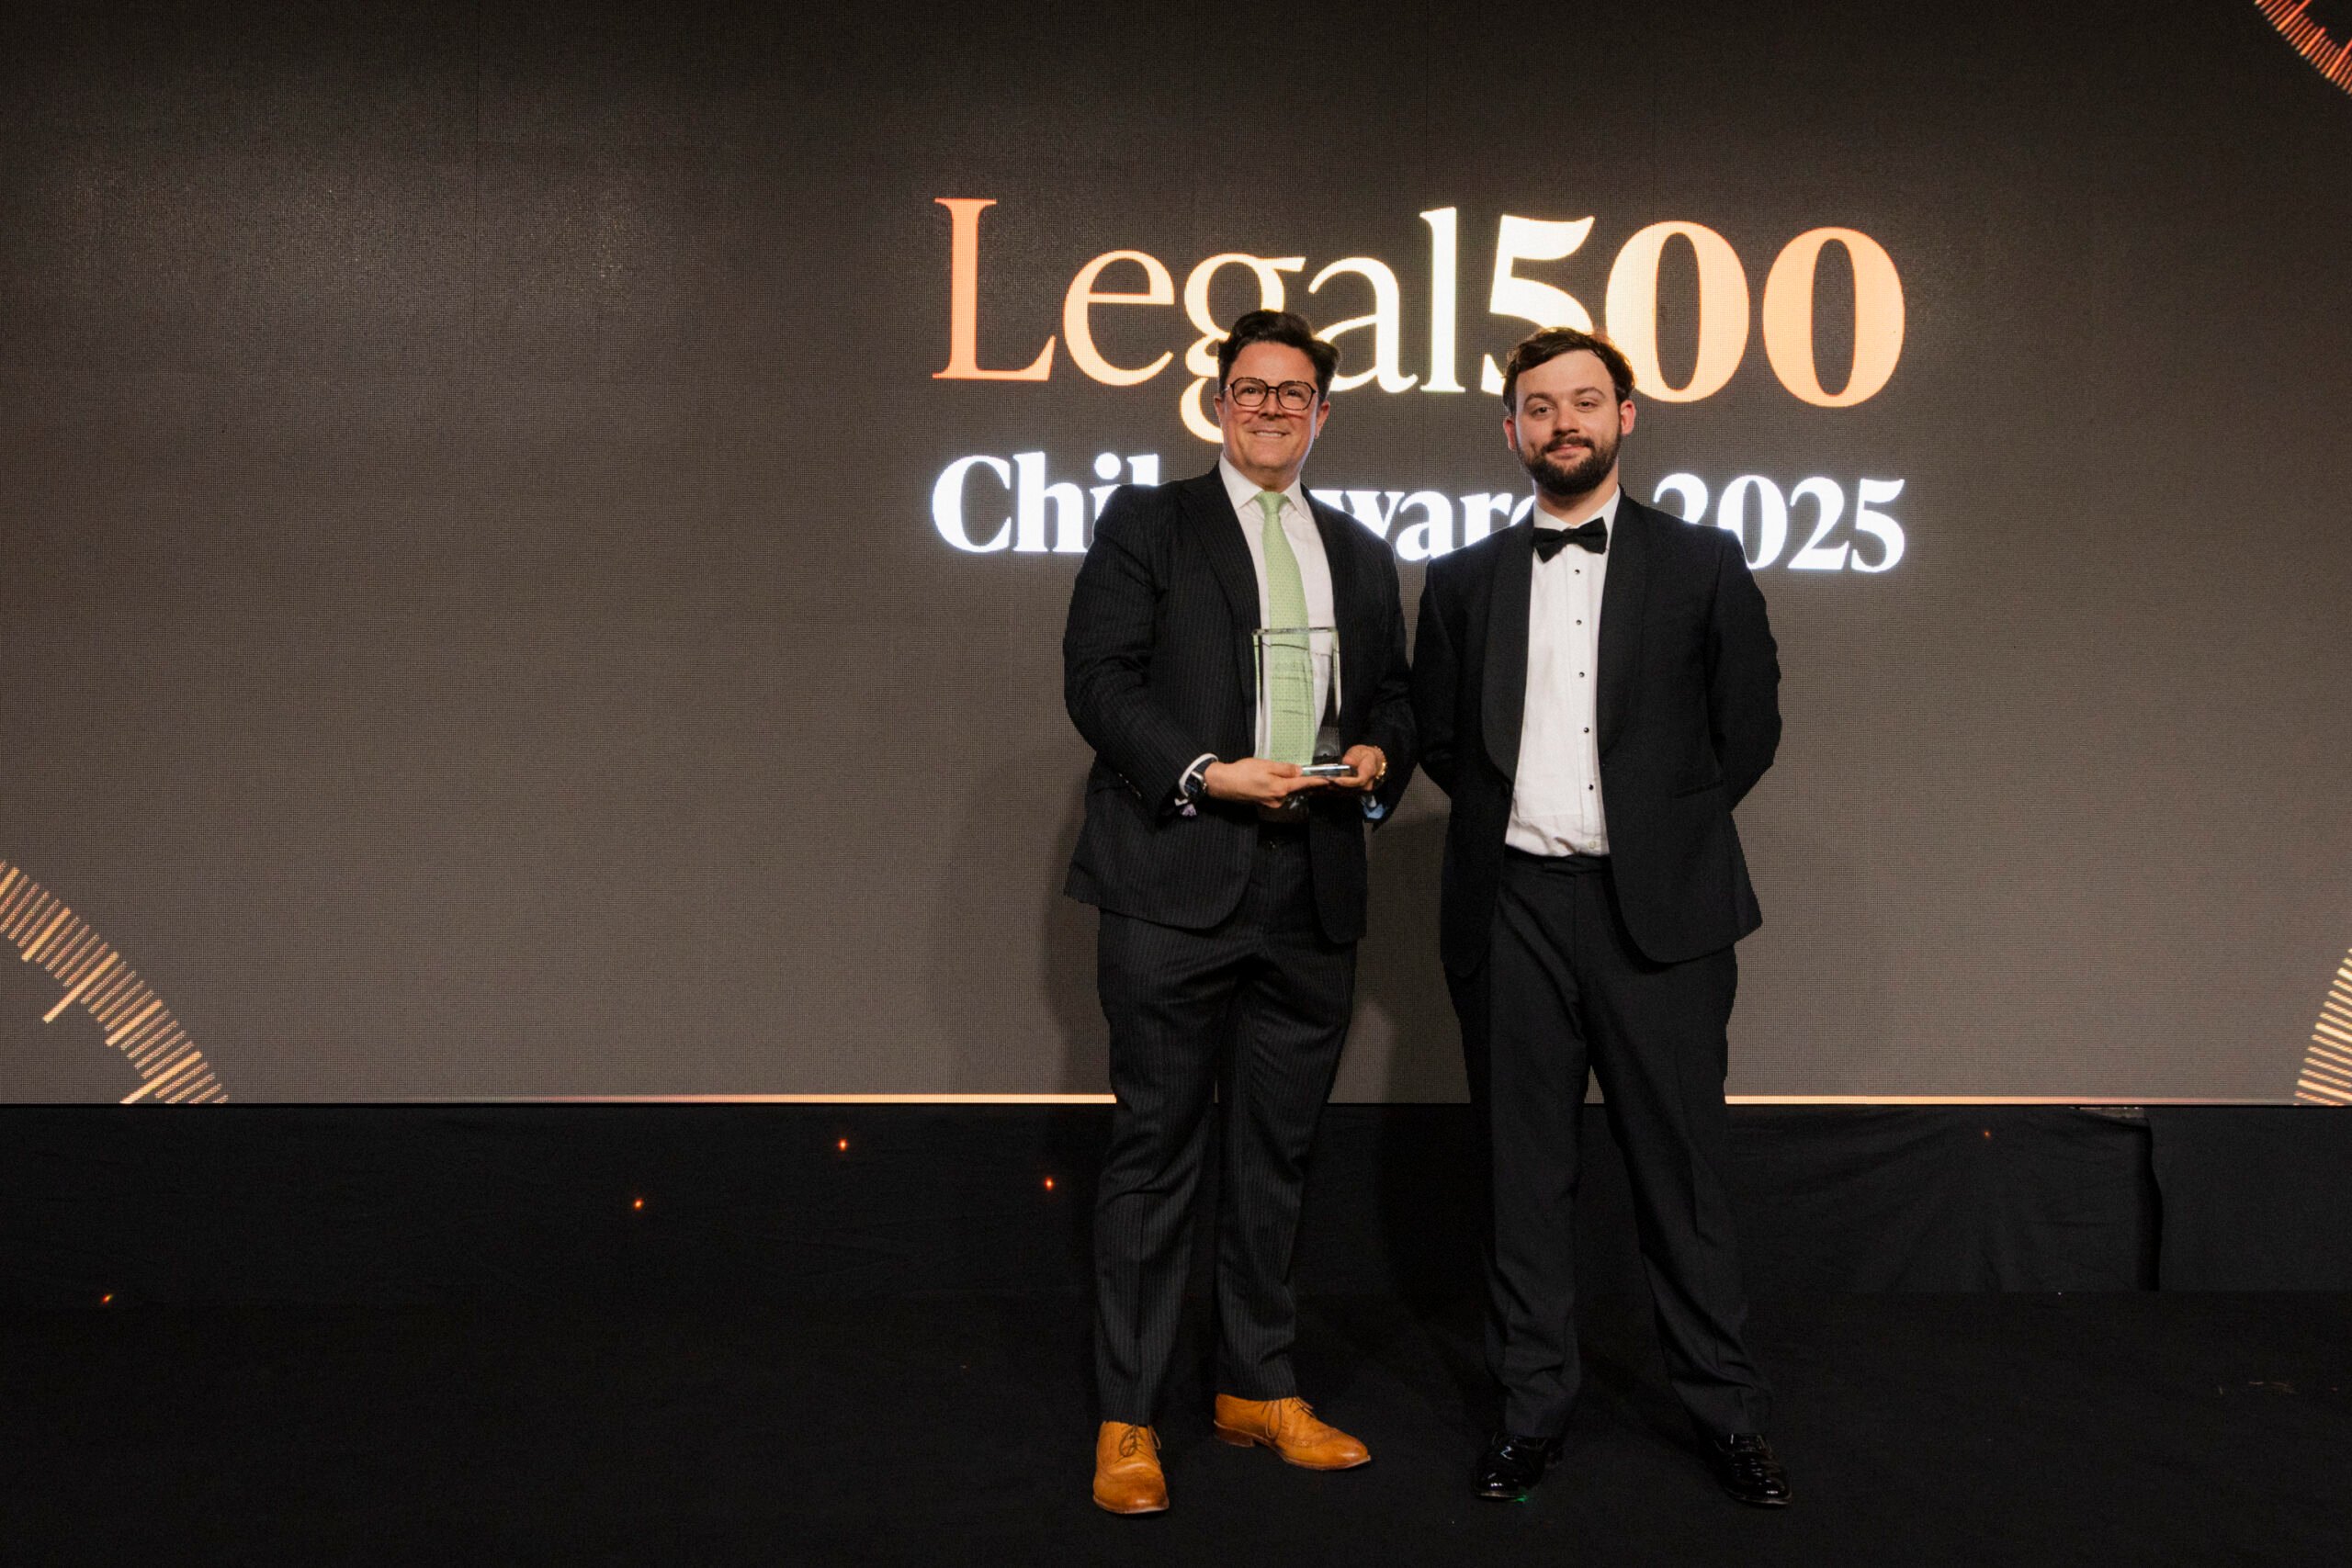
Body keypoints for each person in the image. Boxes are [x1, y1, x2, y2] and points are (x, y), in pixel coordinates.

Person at [1410, 326, 1792, 1507]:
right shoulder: (1461, 580)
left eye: (1584, 401)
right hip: (1512, 910)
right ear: (1510, 431)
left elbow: (1748, 729)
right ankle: (1530, 1414)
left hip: (1658, 919)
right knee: (1522, 1180)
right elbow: (1443, 743)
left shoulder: (1703, 562)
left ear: (1626, 415)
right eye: (1539, 406)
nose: (1562, 422)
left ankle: (1725, 1417)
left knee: (1681, 1177)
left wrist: (1659, 838)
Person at [1062, 309, 1415, 1515]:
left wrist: (1379, 753)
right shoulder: (1147, 523)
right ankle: (1128, 1414)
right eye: (1250, 389)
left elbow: (1396, 696)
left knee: (1278, 1156)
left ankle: (1255, 1385)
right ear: (1219, 404)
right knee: (1156, 1150)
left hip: (1312, 884)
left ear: (1323, 413)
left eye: (1293, 392)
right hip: (1176, 877)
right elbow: (1098, 680)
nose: (1271, 408)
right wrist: (1205, 772)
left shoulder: (1360, 551)